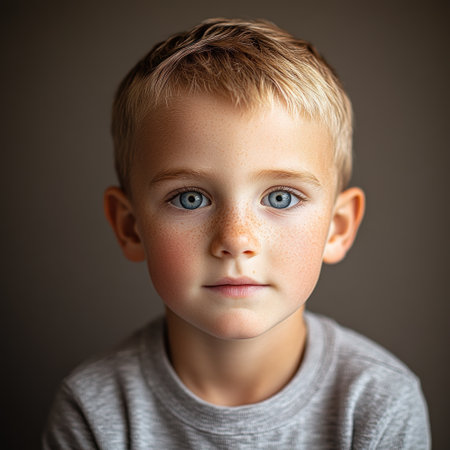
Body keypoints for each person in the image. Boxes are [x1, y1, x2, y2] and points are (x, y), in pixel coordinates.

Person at [43, 18, 431, 449]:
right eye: (190, 198)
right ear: (131, 226)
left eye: (281, 198)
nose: (235, 239)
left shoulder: (377, 402)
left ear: (337, 228)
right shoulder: (95, 408)